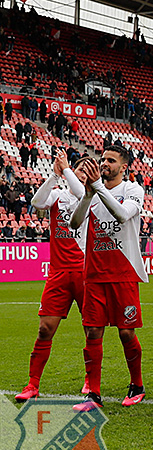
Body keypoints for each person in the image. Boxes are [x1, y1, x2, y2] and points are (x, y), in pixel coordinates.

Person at [69, 146, 148, 411]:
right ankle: (93, 394)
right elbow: (74, 223)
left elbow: (123, 215)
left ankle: (137, 385)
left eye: (111, 161)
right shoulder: (92, 191)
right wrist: (88, 194)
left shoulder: (133, 190)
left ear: (123, 167)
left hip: (123, 272)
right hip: (94, 273)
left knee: (126, 333)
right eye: (102, 159)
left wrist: (97, 189)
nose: (105, 163)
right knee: (92, 331)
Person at [15, 151, 89, 401]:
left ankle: (91, 380)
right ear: (74, 172)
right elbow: (37, 203)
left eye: (91, 171)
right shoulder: (58, 195)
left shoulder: (93, 198)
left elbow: (81, 193)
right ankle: (32, 385)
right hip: (58, 273)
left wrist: (67, 170)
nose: (86, 174)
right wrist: (54, 175)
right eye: (82, 169)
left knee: (91, 330)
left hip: (86, 272)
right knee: (45, 329)